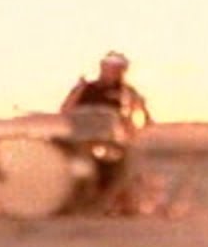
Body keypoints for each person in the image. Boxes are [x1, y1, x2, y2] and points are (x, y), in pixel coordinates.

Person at [59, 51, 153, 207]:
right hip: (83, 135)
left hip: (110, 137)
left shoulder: (126, 91)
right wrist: (78, 91)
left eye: (119, 69)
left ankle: (123, 200)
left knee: (125, 164)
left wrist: (137, 127)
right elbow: (66, 110)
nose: (114, 72)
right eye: (111, 68)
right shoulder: (86, 88)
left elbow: (136, 113)